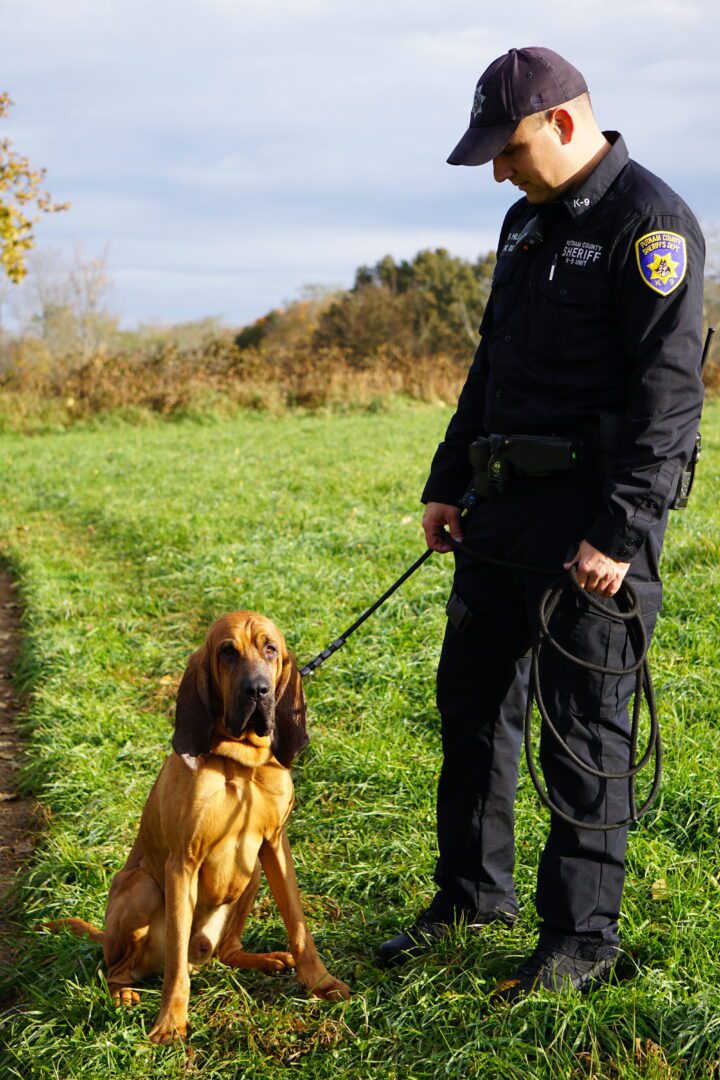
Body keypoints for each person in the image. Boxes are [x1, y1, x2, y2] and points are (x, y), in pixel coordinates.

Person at [376, 46, 705, 1000]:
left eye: (510, 147)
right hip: (498, 513)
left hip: (589, 531)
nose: (498, 170)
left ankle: (578, 943)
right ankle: (471, 899)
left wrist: (621, 533)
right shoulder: (524, 226)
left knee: (582, 734)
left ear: (562, 122)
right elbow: (492, 367)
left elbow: (668, 406)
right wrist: (447, 479)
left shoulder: (654, 225)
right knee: (472, 711)